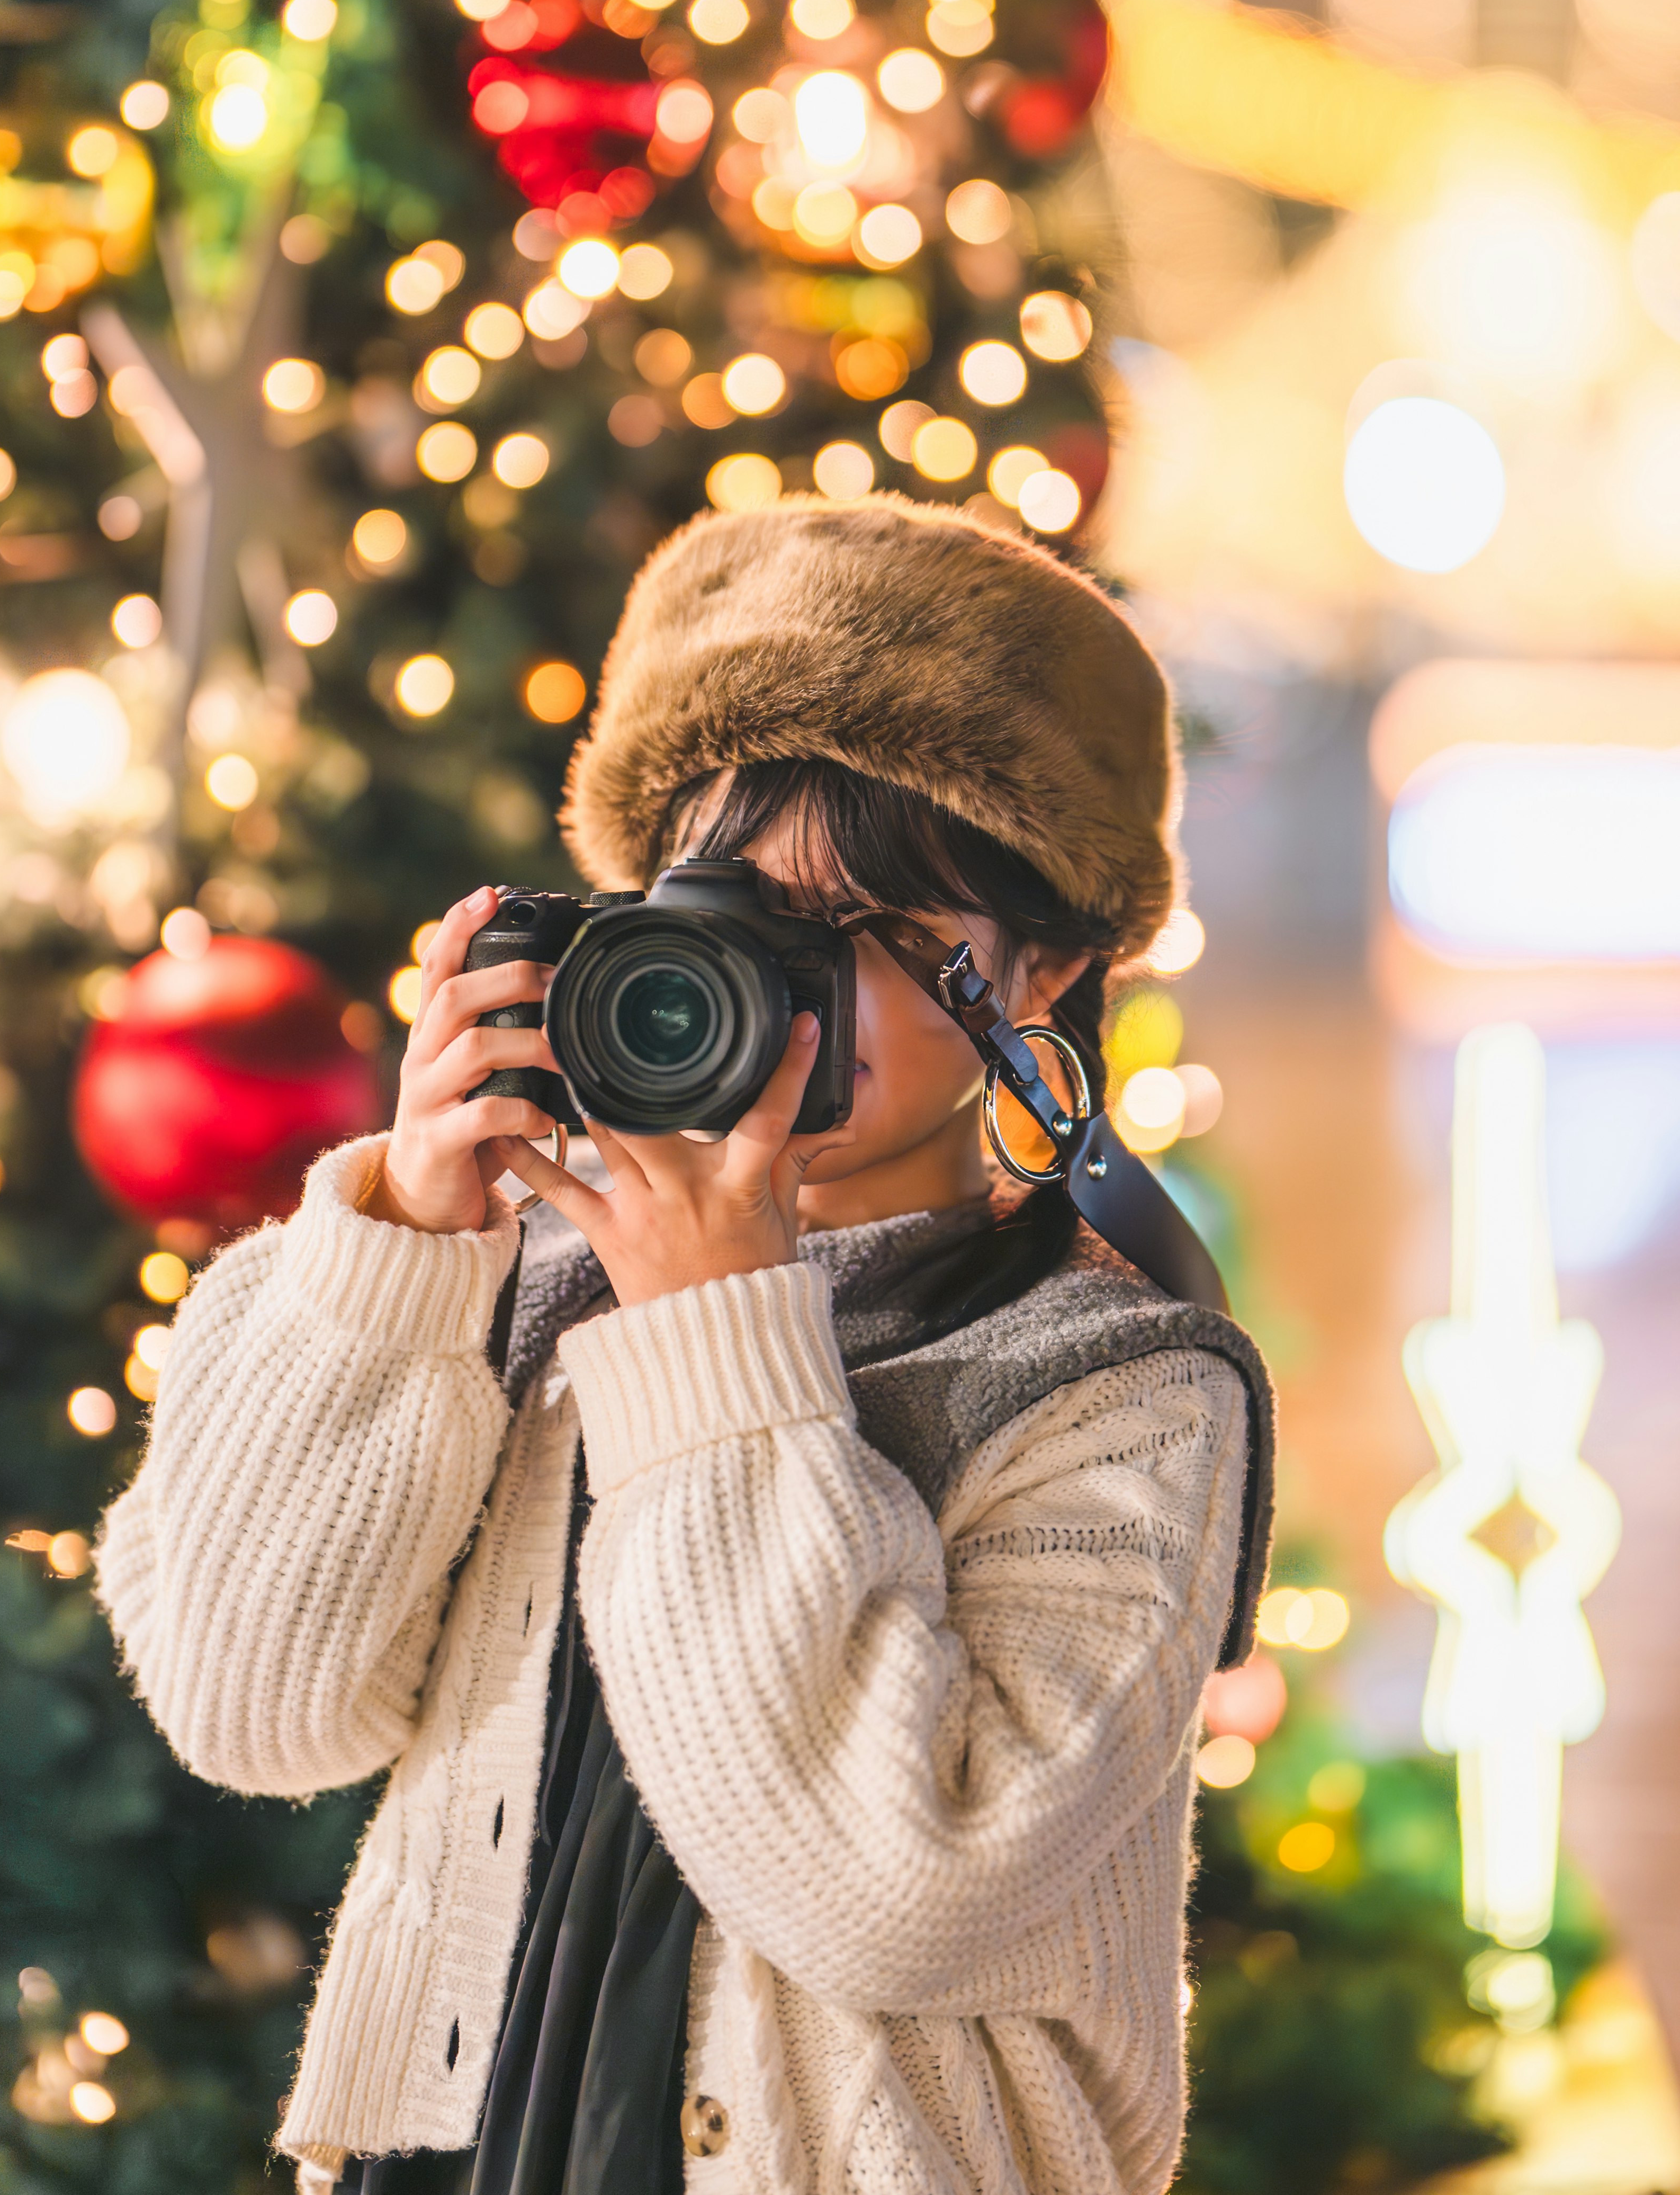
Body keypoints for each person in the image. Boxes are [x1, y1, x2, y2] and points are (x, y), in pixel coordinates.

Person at [95, 497, 1274, 2195]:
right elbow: (249, 1707)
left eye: (854, 939)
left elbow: (907, 1887)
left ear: (1044, 974)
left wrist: (720, 1333)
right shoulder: (509, 1291)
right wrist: (405, 1254)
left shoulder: (1120, 1390)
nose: (773, 999)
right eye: (720, 925)